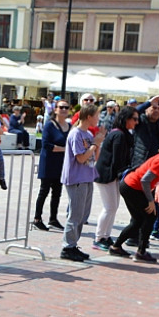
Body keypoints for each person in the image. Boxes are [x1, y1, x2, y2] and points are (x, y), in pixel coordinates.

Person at [111, 138, 159, 263]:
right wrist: (150, 201)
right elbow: (145, 180)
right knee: (150, 216)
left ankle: (116, 247)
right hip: (132, 187)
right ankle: (141, 252)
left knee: (138, 220)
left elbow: (155, 178)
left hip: (131, 187)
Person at [60, 103, 103, 262]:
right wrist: (94, 144)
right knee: (75, 214)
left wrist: (97, 143)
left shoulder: (88, 135)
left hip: (87, 176)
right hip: (76, 178)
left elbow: (94, 157)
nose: (98, 119)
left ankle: (73, 245)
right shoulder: (76, 134)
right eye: (96, 116)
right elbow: (81, 158)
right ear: (89, 117)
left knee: (83, 214)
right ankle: (67, 247)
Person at [93, 105, 136, 251]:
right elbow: (117, 159)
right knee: (109, 207)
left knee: (113, 207)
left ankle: (105, 235)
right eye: (134, 119)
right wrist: (122, 175)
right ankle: (99, 237)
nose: (136, 122)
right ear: (126, 119)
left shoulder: (123, 133)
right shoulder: (118, 135)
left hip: (112, 176)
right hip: (107, 175)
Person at [33, 99, 69, 231]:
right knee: (44, 191)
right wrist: (64, 149)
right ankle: (37, 218)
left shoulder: (69, 126)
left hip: (61, 164)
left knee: (57, 192)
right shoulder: (49, 125)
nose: (64, 110)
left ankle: (53, 218)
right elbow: (46, 145)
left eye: (66, 107)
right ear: (55, 109)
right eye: (61, 107)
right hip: (48, 163)